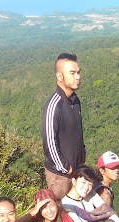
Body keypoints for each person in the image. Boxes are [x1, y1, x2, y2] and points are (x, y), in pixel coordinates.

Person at [42, 53, 86, 199]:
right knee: (58, 215)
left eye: (78, 72)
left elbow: (77, 133)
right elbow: (49, 141)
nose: (78, 77)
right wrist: (65, 167)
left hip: (76, 172)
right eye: (72, 73)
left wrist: (82, 156)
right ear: (59, 76)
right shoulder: (54, 105)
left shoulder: (75, 101)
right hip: (60, 176)